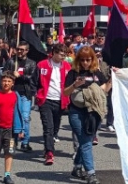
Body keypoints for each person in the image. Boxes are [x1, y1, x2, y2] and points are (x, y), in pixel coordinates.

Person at [63, 46, 110, 184]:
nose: (85, 63)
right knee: (85, 142)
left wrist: (112, 80)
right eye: (82, 60)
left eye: (88, 60)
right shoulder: (73, 73)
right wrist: (74, 85)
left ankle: (77, 167)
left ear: (92, 59)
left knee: (86, 142)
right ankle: (91, 173)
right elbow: (65, 92)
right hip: (76, 112)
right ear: (78, 60)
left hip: (93, 112)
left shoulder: (97, 73)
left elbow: (104, 90)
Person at [33, 43, 72, 166]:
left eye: (65, 55)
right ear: (53, 53)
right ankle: (49, 152)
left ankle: (49, 145)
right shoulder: (42, 65)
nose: (63, 57)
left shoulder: (67, 66)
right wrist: (37, 95)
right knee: (48, 127)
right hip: (46, 100)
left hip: (60, 100)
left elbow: (69, 83)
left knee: (55, 127)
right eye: (61, 55)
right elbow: (34, 82)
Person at [0, 72, 26, 184]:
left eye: (9, 81)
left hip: (11, 130)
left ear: (13, 83)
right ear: (0, 82)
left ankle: (7, 175)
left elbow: (20, 113)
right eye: (4, 81)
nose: (6, 83)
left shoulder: (16, 96)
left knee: (10, 152)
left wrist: (21, 129)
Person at [3, 41, 37, 153]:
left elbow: (33, 78)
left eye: (22, 50)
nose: (19, 51)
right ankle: (13, 142)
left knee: (25, 117)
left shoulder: (31, 63)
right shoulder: (11, 61)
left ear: (27, 50)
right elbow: (4, 74)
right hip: (12, 93)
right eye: (18, 49)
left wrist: (21, 76)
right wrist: (11, 74)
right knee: (12, 119)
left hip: (25, 93)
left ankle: (25, 142)